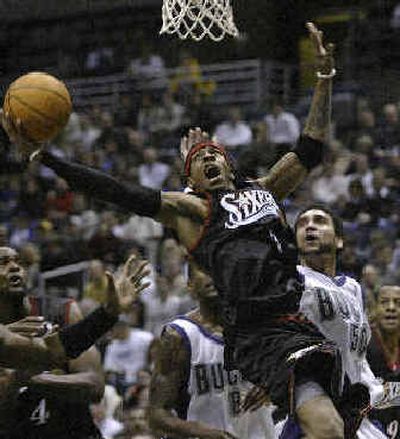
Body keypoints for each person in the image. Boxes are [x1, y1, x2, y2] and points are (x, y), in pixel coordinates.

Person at [2, 23, 340, 437]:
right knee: (324, 427)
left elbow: (311, 147)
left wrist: (323, 78)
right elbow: (116, 191)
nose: (211, 159)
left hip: (296, 319)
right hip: (257, 329)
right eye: (200, 160)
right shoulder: (192, 208)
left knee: (333, 426)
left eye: (216, 153)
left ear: (230, 163)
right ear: (191, 179)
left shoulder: (266, 187)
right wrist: (47, 158)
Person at [283, 205, 391, 439]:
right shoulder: (292, 278)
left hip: (360, 409)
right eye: (302, 224)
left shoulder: (353, 288)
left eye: (319, 221)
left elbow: (357, 357)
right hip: (315, 405)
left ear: (339, 241)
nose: (309, 226)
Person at [149, 263, 275, 439]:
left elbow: (294, 378)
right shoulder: (178, 336)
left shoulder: (261, 326)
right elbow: (156, 415)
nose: (212, 274)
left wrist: (273, 385)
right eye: (203, 268)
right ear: (190, 286)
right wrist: (206, 433)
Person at [367, 285, 400, 439]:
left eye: (398, 302)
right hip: (368, 426)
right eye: (385, 302)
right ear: (373, 309)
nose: (391, 308)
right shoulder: (362, 345)